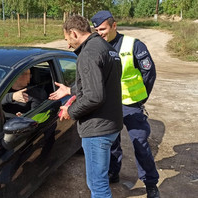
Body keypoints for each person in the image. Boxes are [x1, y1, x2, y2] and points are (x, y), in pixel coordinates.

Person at [49, 15, 123, 198]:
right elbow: (101, 82)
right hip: (112, 122)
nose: (67, 45)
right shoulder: (107, 48)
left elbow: (94, 97)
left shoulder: (88, 54)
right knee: (100, 179)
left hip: (97, 129)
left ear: (73, 33)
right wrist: (71, 89)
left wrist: (70, 111)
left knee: (98, 186)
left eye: (67, 39)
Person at [91, 10, 159, 198]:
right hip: (108, 104)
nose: (100, 33)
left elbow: (149, 74)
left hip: (131, 104)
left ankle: (151, 183)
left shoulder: (134, 45)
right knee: (111, 142)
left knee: (140, 143)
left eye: (103, 29)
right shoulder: (97, 45)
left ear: (114, 26)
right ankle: (113, 173)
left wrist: (140, 99)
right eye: (96, 30)